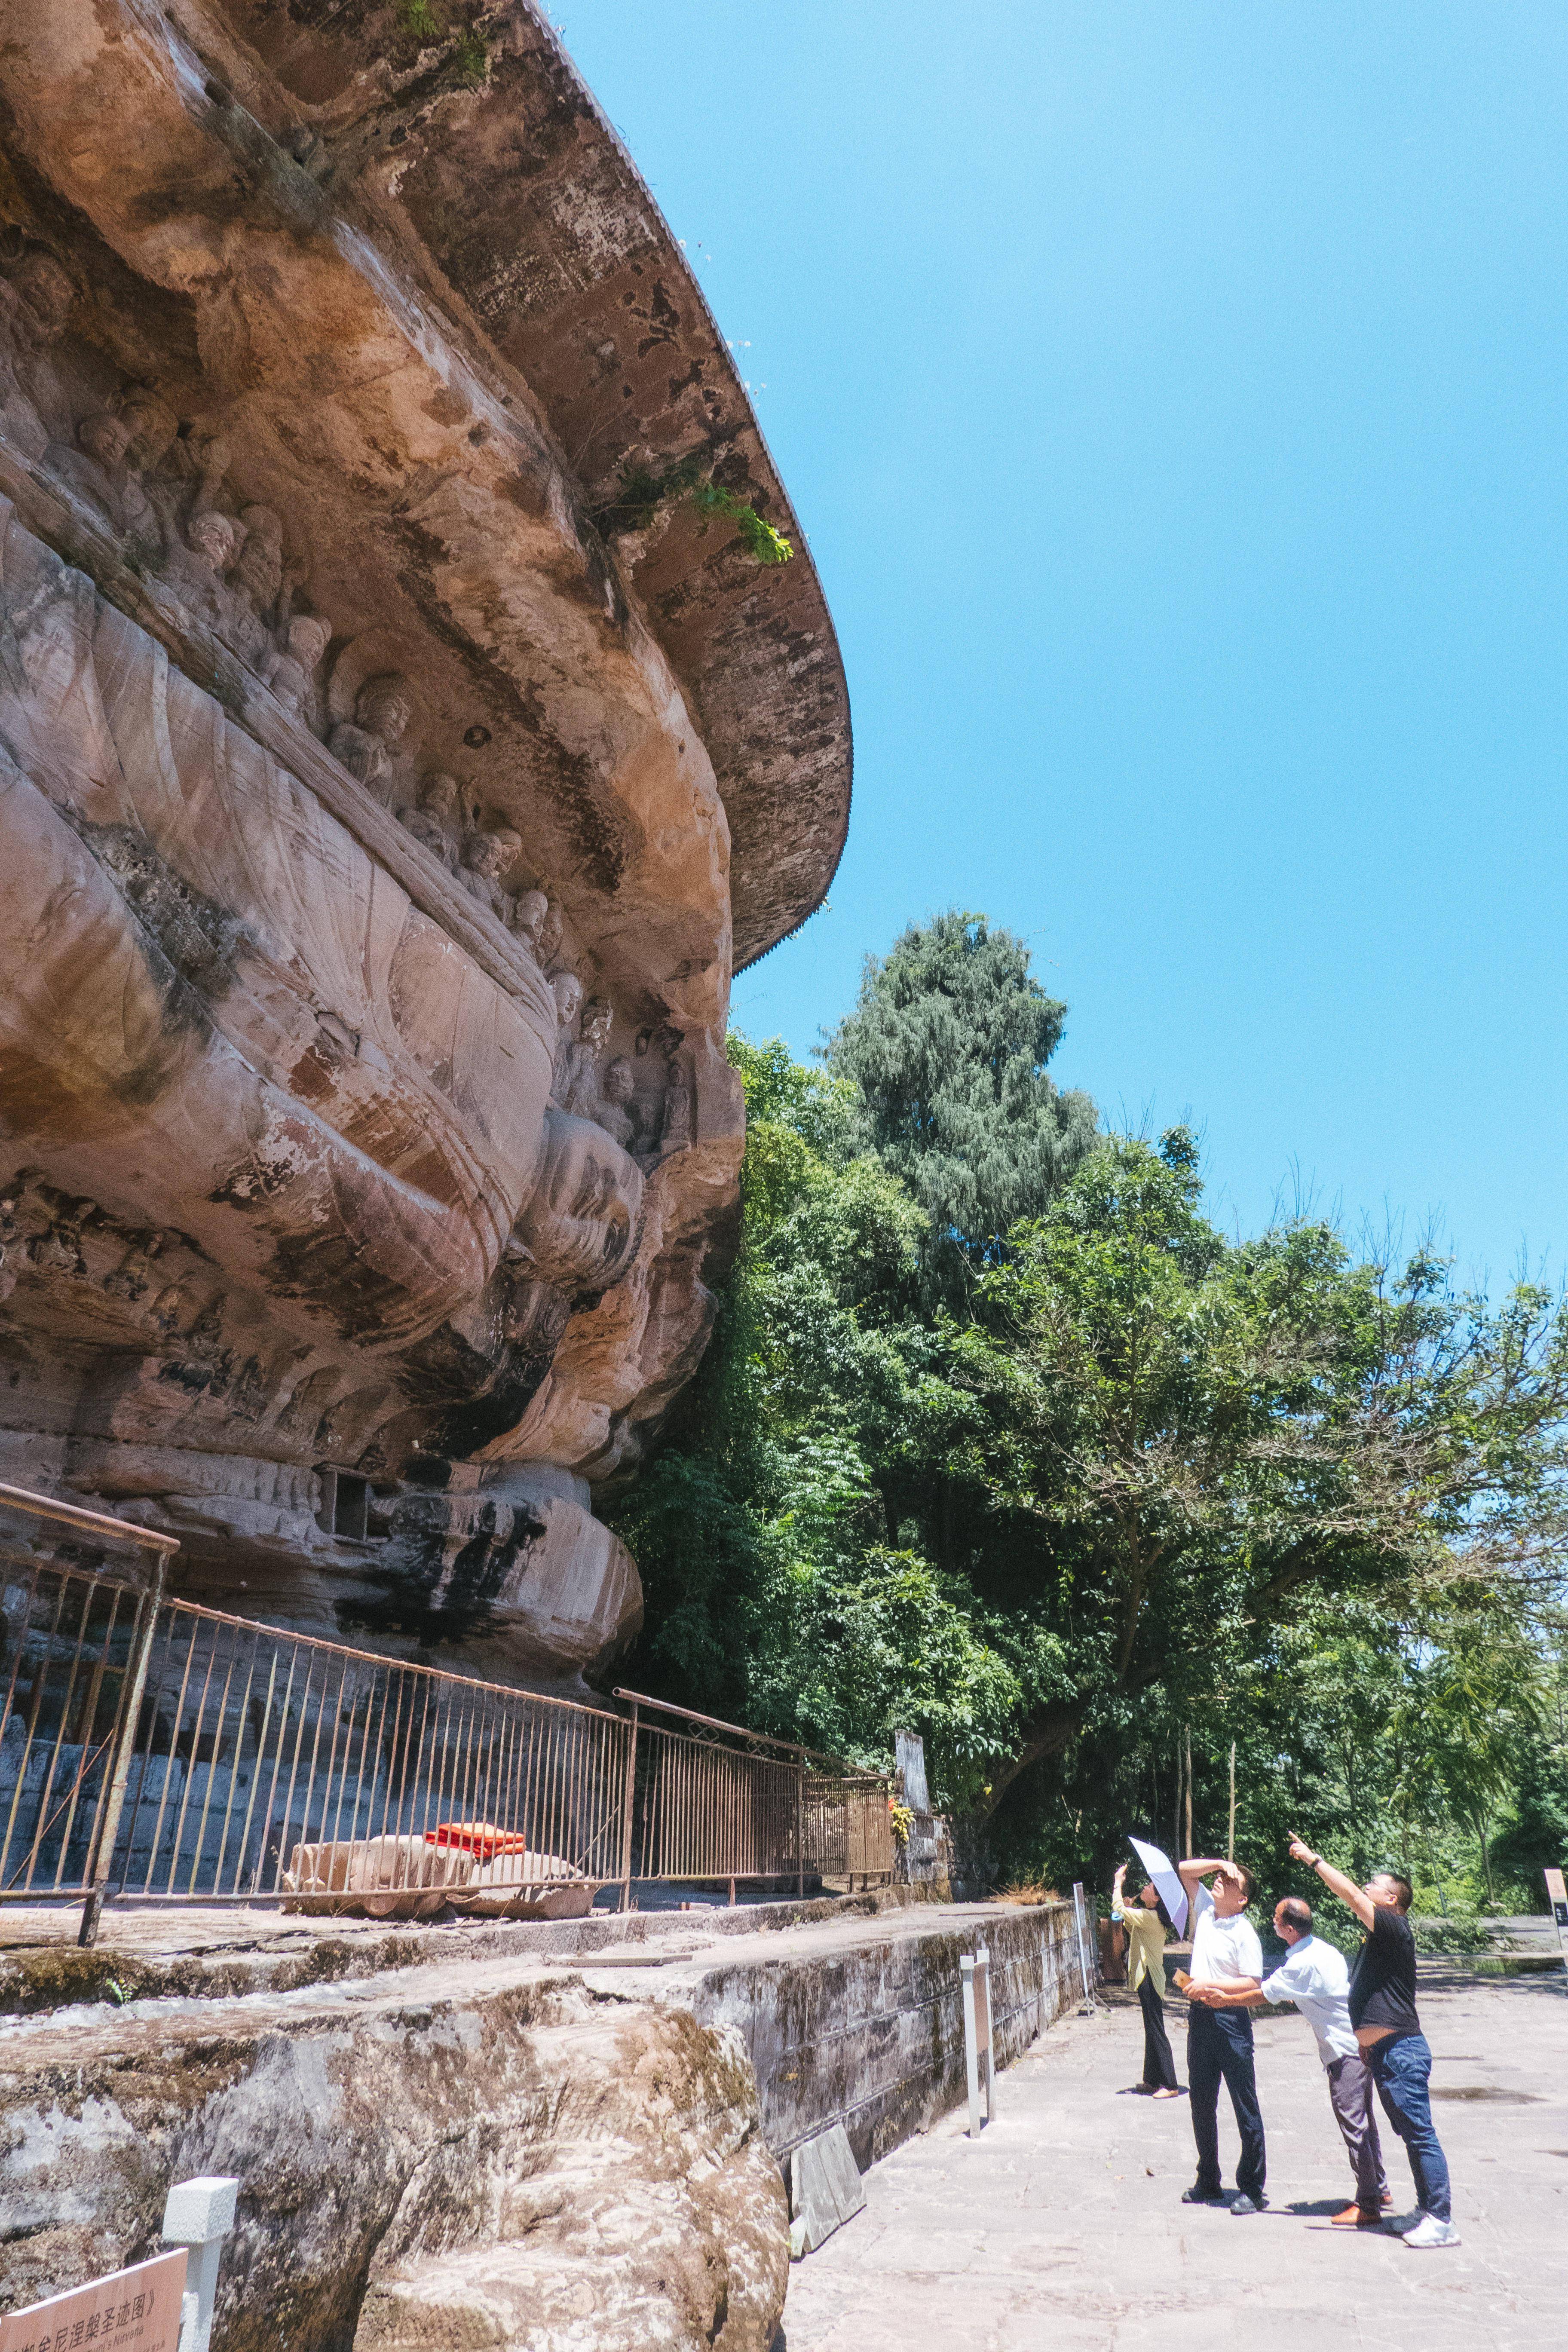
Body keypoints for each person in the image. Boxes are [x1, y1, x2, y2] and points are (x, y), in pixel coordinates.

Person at [1288, 1837, 1458, 2248]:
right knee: (1409, 2134)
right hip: (1384, 2052)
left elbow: (1347, 1893)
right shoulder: (1378, 1938)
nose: (1366, 1888)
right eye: (1366, 1884)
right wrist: (1366, 2043)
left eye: (1374, 1885)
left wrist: (1314, 1859)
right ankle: (1425, 2210)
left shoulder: (1395, 1927)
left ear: (1392, 1898)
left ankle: (1441, 2219)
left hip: (1402, 2051)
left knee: (1420, 2134)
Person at [1188, 1895, 1390, 2226]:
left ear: (1290, 1929)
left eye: (1277, 1919)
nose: (1272, 1921)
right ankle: (1378, 2187)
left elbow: (1263, 1993)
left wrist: (1225, 2000)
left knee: (1354, 2123)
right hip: (1355, 2042)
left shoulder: (1302, 1964)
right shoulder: (1322, 1949)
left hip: (1343, 2048)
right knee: (1365, 2120)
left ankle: (1368, 2202)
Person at [1176, 1856, 1267, 2213]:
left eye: (1230, 1882)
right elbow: (1185, 1870)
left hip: (1231, 2020)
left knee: (1245, 2105)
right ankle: (1208, 2178)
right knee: (1201, 2102)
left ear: (1243, 1899)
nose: (1220, 1882)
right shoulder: (1206, 1915)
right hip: (1200, 2019)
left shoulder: (1245, 1933)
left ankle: (1252, 2187)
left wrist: (1209, 1984)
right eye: (1221, 1878)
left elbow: (1253, 1982)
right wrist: (1221, 1863)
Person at [1111, 1862, 1181, 2096]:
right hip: (1147, 1977)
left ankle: (1170, 2084)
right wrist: (1130, 1913)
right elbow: (1134, 1931)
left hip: (1151, 1977)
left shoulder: (1151, 1917)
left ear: (1157, 1898)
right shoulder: (1148, 1917)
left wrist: (1118, 1884)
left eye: (1150, 1887)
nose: (1145, 1887)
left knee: (1156, 2029)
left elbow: (1117, 1908)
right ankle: (1152, 2080)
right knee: (1150, 2028)